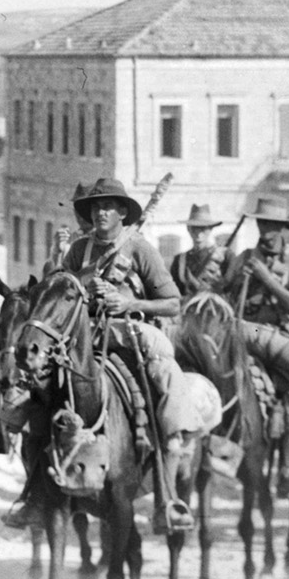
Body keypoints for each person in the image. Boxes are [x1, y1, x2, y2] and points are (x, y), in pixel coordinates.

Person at [59, 175, 192, 530]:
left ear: (121, 212)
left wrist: (128, 301)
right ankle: (37, 486)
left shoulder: (139, 249)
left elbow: (172, 303)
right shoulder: (79, 251)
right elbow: (60, 294)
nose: (100, 212)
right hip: (85, 335)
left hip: (132, 331)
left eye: (108, 206)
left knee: (165, 373)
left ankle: (169, 481)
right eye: (96, 206)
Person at [222, 198, 289, 496]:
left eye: (272, 225)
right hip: (245, 335)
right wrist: (224, 275)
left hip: (281, 336)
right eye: (262, 223)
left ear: (282, 228)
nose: (266, 230)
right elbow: (222, 292)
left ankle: (288, 468)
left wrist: (266, 279)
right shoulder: (244, 257)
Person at [171, 203, 227, 298]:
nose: (198, 234)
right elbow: (175, 292)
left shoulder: (224, 255)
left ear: (210, 229)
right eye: (194, 228)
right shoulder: (180, 260)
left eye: (203, 229)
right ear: (188, 229)